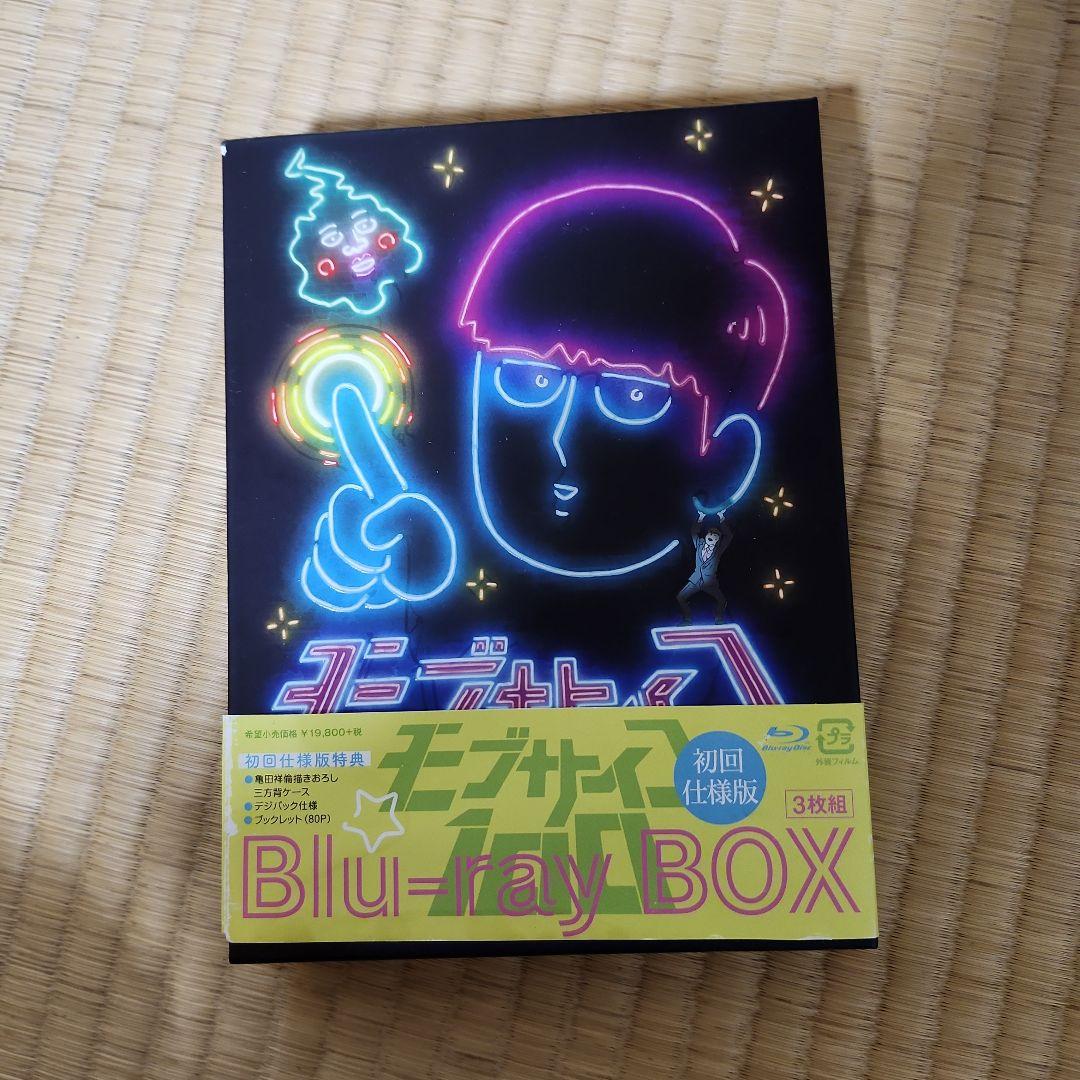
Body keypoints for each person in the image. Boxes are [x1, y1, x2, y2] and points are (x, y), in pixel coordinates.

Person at [677, 515, 732, 623]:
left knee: (722, 600)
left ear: (717, 541)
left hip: (709, 582)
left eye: (715, 536)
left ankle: (719, 620)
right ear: (706, 535)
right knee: (680, 598)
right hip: (696, 580)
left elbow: (728, 536)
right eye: (710, 534)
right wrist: (700, 518)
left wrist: (722, 518)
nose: (712, 537)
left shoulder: (718, 550)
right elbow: (694, 532)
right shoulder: (699, 544)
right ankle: (687, 619)